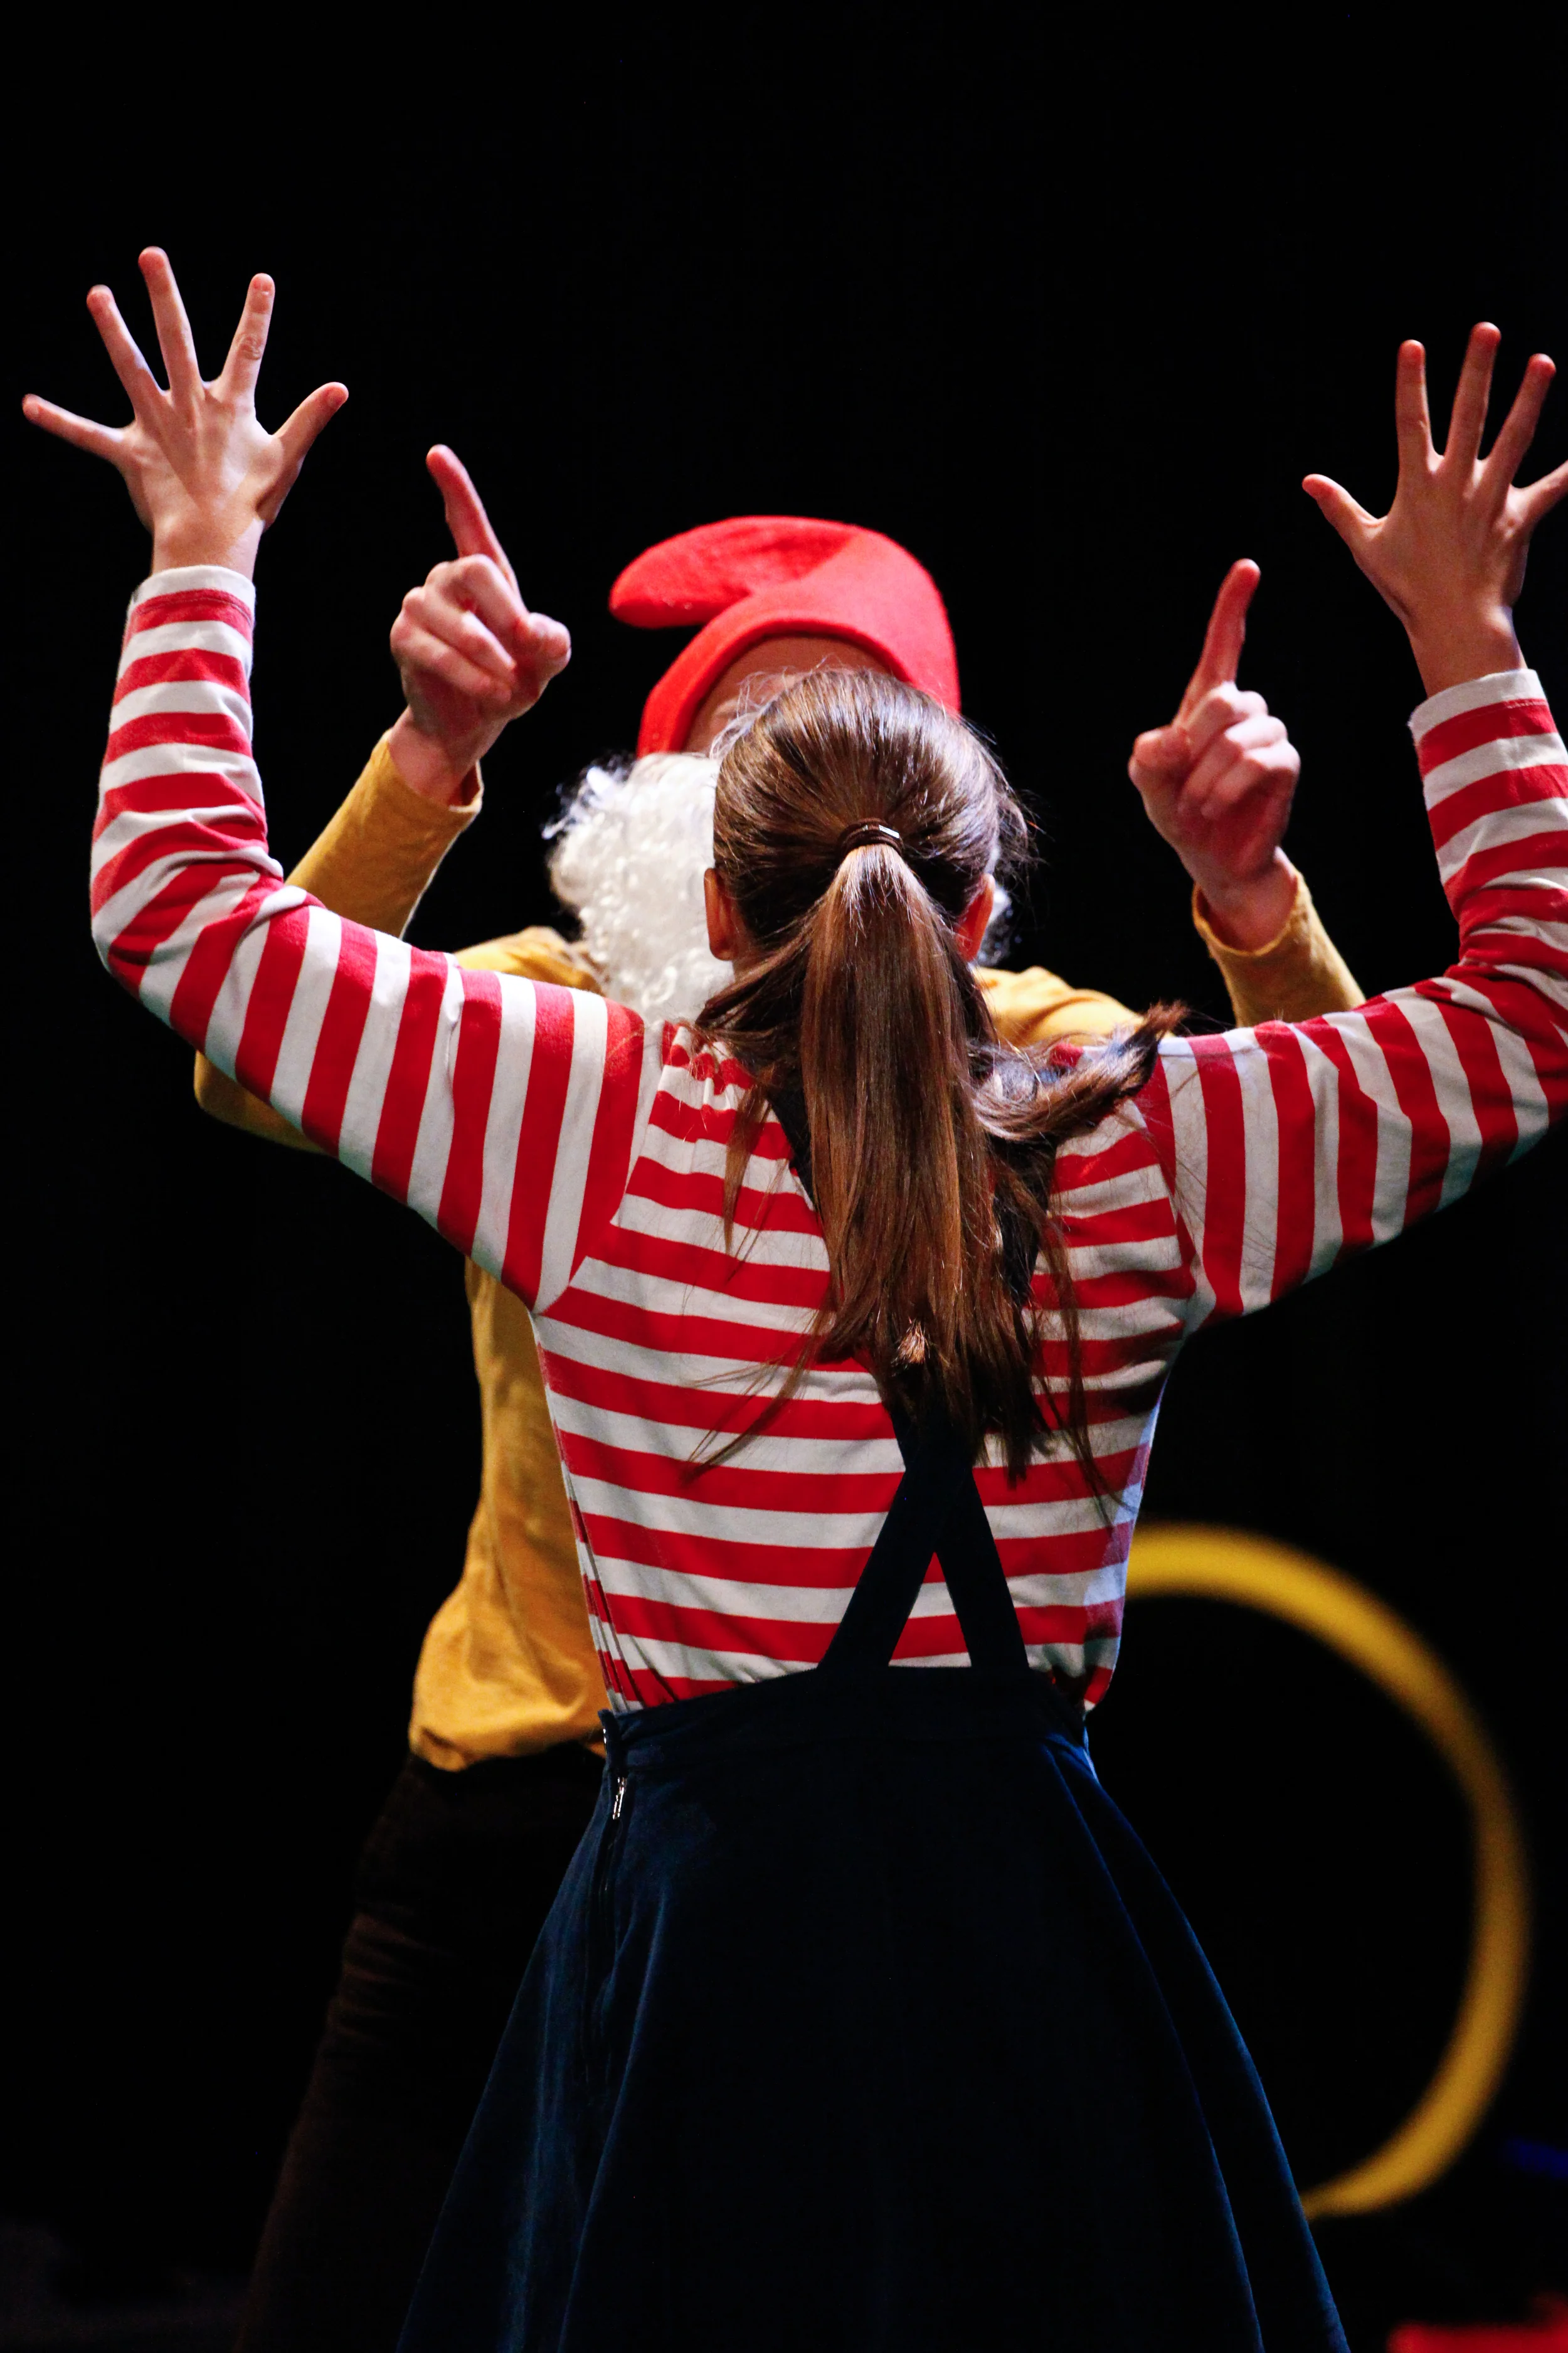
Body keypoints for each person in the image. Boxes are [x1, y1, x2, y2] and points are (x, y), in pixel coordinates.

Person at [28, 251, 1568, 2348]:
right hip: (967, 1909)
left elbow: (178, 911)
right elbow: (1499, 1047)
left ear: (717, 876)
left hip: (699, 1915)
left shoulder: (569, 1112)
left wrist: (204, 550)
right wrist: (1464, 644)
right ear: (979, 885)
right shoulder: (1121, 1127)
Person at [179, 482, 1357, 2337]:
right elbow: (251, 1064)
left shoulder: (1032, 1055)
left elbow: (1313, 1143)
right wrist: (425, 761)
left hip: (852, 1840)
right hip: (523, 1794)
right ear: (680, 800)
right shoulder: (555, 1030)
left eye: (845, 716)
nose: (798, 752)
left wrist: (1249, 901)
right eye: (750, 722)